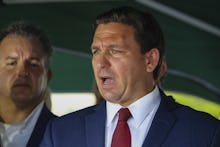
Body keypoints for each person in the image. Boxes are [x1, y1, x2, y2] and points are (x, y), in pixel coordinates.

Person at [40, 6, 220, 147]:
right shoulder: (60, 132)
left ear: (150, 60)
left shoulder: (205, 133)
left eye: (115, 51)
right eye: (96, 51)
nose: (100, 63)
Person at [0, 21, 56, 147]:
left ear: (47, 76)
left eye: (33, 64)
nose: (22, 72)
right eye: (12, 63)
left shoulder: (69, 135)